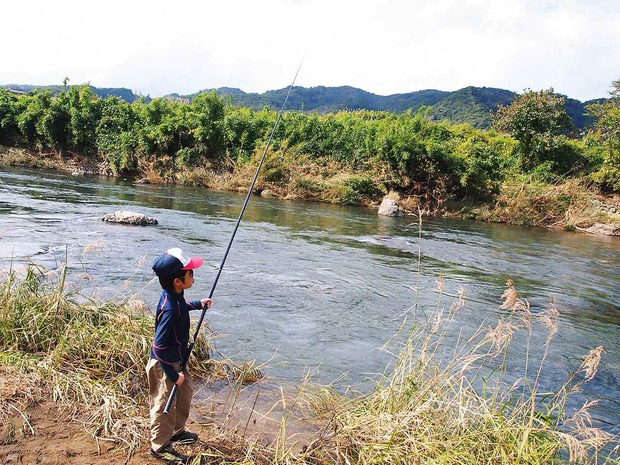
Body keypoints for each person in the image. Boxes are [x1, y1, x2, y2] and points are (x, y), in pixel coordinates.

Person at [147, 247, 212, 465]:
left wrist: (197, 304)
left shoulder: (175, 297)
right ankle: (160, 446)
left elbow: (182, 306)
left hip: (176, 360)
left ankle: (177, 431)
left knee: (184, 394)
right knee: (164, 404)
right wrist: (173, 375)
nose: (193, 276)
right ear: (178, 281)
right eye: (190, 273)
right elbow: (159, 347)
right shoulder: (170, 310)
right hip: (164, 364)